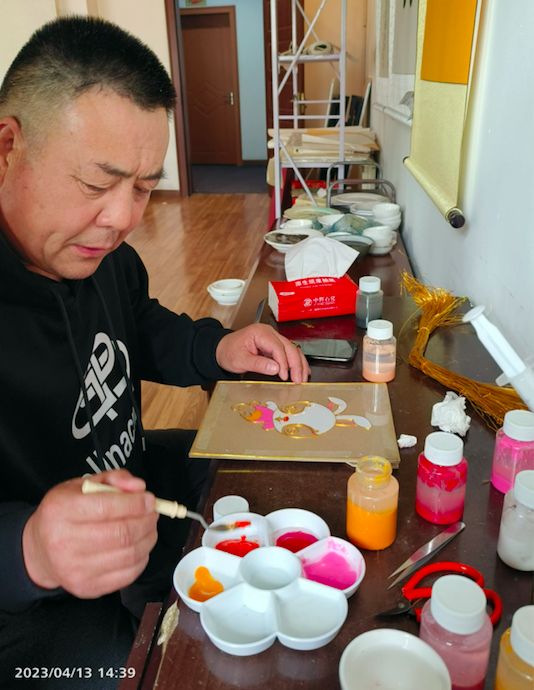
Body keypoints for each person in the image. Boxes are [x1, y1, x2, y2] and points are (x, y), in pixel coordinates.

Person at [0, 15, 309, 688]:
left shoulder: (101, 254)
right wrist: (29, 550)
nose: (124, 219)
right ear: (8, 147)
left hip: (130, 482)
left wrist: (216, 346)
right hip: (25, 610)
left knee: (255, 475)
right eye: (97, 184)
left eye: (142, 186)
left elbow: (137, 324)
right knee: (172, 670)